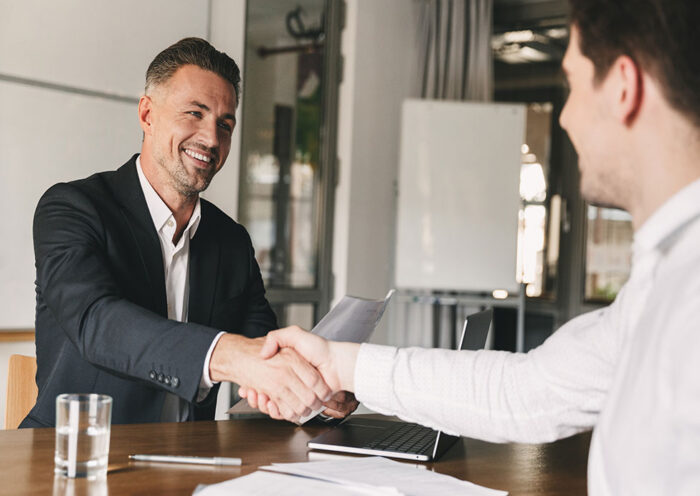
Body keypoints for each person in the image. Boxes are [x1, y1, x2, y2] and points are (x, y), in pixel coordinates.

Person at [241, 0, 700, 493]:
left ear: (623, 88)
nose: (565, 117)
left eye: (572, 85)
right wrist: (339, 363)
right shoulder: (663, 276)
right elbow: (530, 392)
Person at [21, 37, 357, 428]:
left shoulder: (231, 241)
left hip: (190, 463)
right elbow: (97, 322)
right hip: (76, 456)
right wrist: (226, 354)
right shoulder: (72, 208)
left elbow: (265, 353)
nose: (212, 139)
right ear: (147, 115)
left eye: (224, 125)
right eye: (194, 114)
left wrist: (318, 387)